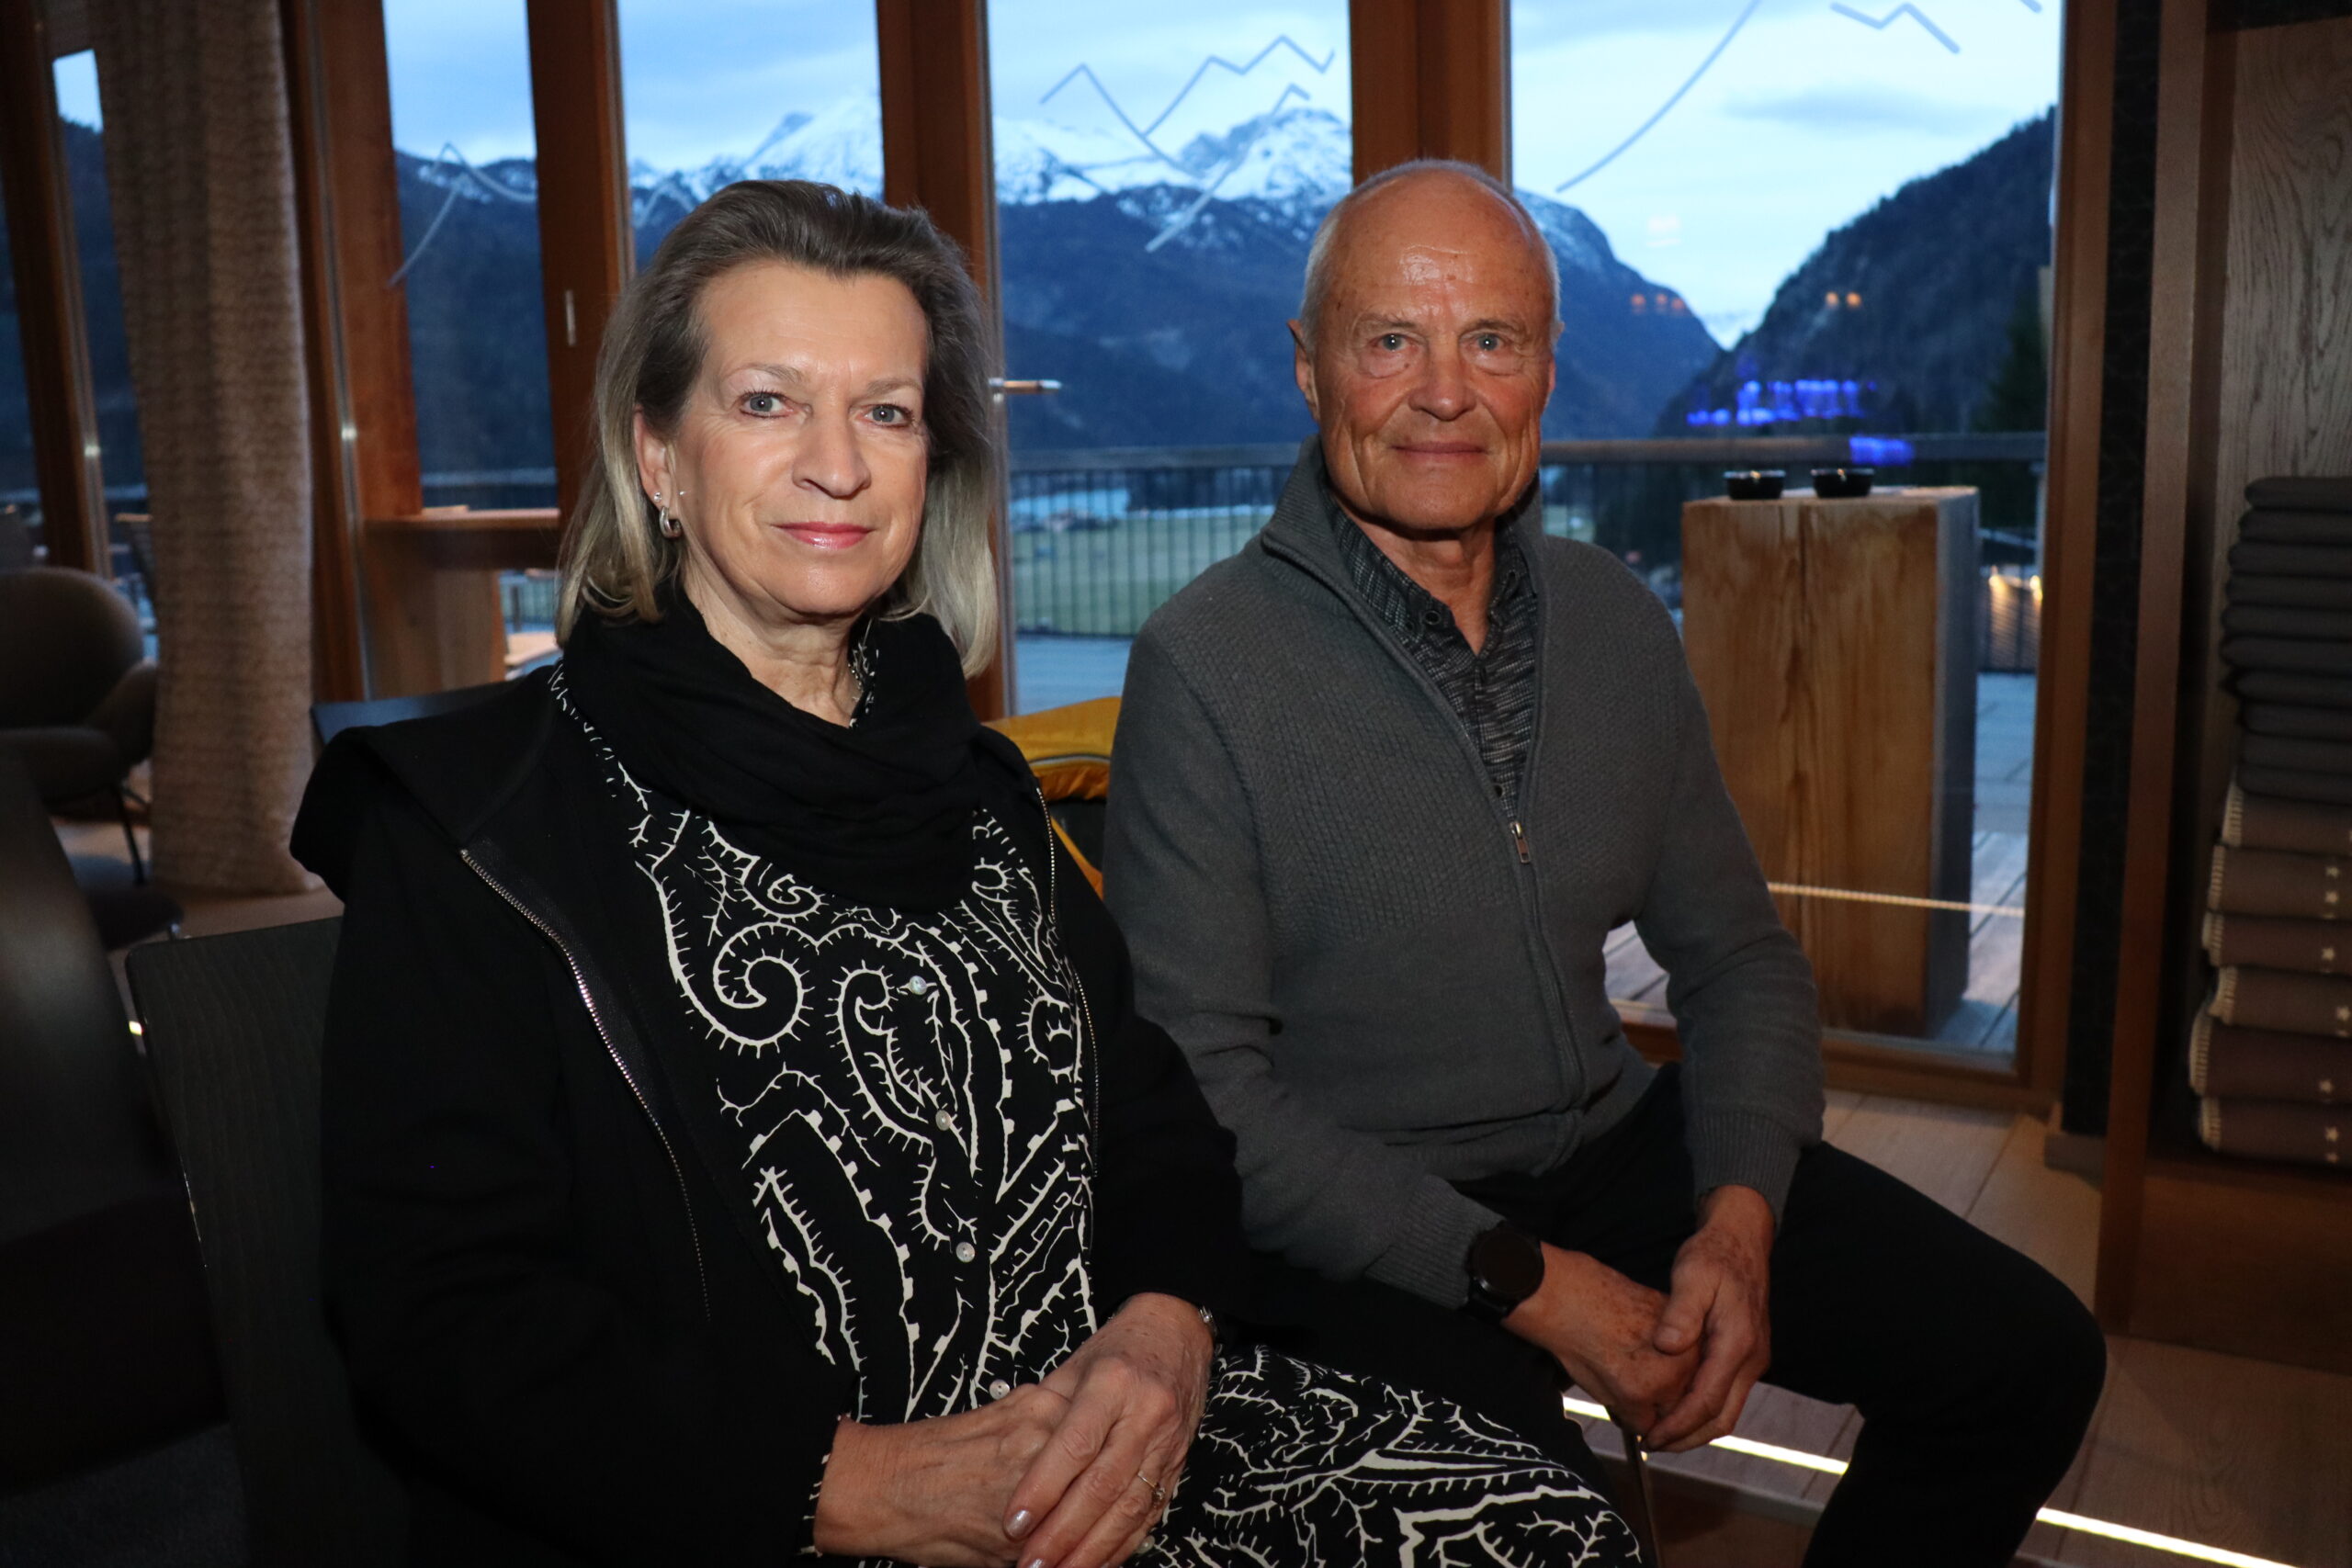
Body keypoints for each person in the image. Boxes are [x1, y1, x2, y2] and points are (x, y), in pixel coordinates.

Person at [291, 179, 1640, 1568]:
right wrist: (851, 1487)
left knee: (1543, 1523)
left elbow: (1158, 1117)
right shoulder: (479, 834)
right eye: (766, 404)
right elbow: (443, 1318)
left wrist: (1166, 1331)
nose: (838, 464)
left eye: (885, 411)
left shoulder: (974, 786)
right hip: (765, 1509)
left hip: (1115, 1449)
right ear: (656, 454)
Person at [1103, 160, 2109, 1568]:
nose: (1444, 392)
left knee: (2025, 1355)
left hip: (1606, 1142)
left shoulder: (1614, 620)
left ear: (1546, 372)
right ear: (1311, 367)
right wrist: (1539, 1287)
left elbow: (1739, 958)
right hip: (1354, 1212)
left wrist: (1740, 1221)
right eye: (1392, 339)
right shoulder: (1206, 668)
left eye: (1492, 342)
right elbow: (1207, 1103)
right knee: (1543, 1531)